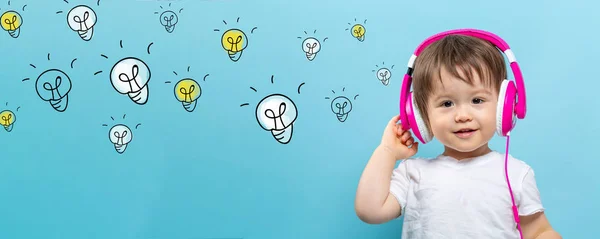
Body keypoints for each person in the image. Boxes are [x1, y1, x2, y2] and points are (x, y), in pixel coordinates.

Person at [354, 31, 562, 239]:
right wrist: (387, 152)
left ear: (504, 105)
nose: (462, 116)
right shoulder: (414, 173)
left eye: (477, 100)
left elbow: (538, 231)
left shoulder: (516, 174)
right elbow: (370, 211)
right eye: (447, 103)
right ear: (420, 114)